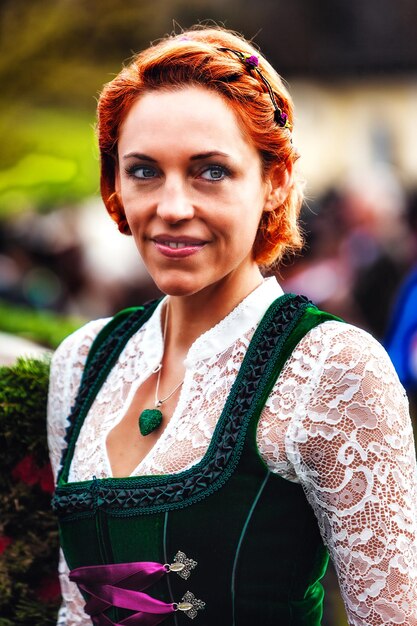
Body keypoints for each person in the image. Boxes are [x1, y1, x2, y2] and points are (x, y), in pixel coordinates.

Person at [47, 26, 417, 626]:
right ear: (115, 183)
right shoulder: (81, 362)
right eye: (143, 171)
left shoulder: (331, 369)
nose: (171, 207)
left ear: (274, 181)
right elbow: (76, 610)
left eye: (210, 171)